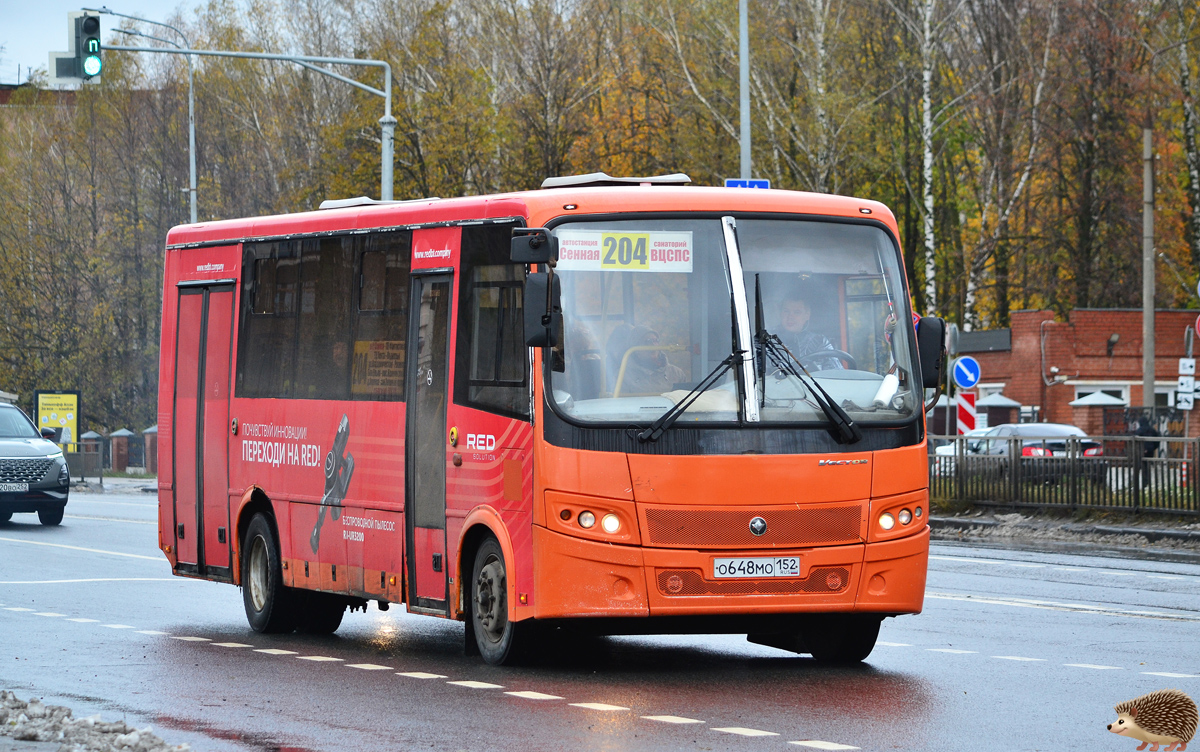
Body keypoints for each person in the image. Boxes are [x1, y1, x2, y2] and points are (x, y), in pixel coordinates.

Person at [776, 292, 844, 371]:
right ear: (780, 313)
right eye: (786, 311)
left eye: (797, 312)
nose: (790, 316)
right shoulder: (767, 339)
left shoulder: (820, 341)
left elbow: (836, 373)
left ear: (807, 315)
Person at [612, 325, 685, 395]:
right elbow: (622, 405)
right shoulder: (622, 376)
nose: (653, 345)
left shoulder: (676, 373)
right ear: (635, 348)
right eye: (648, 341)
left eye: (656, 341)